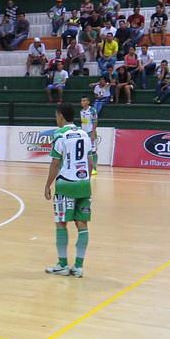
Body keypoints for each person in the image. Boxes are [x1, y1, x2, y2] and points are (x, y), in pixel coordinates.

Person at [44, 102, 92, 278]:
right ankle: (78, 267)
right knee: (82, 225)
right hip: (84, 184)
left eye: (56, 116)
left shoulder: (60, 135)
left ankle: (63, 264)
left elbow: (56, 162)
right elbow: (90, 160)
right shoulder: (84, 134)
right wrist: (86, 179)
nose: (56, 119)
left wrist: (48, 184)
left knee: (61, 223)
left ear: (61, 116)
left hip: (66, 184)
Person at [79, 96, 98, 175]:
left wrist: (93, 133)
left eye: (84, 100)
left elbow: (95, 122)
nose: (82, 102)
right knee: (85, 151)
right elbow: (83, 123)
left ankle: (94, 168)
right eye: (81, 101)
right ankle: (86, 167)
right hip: (84, 134)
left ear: (88, 102)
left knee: (93, 151)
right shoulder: (81, 111)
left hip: (91, 132)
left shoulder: (92, 110)